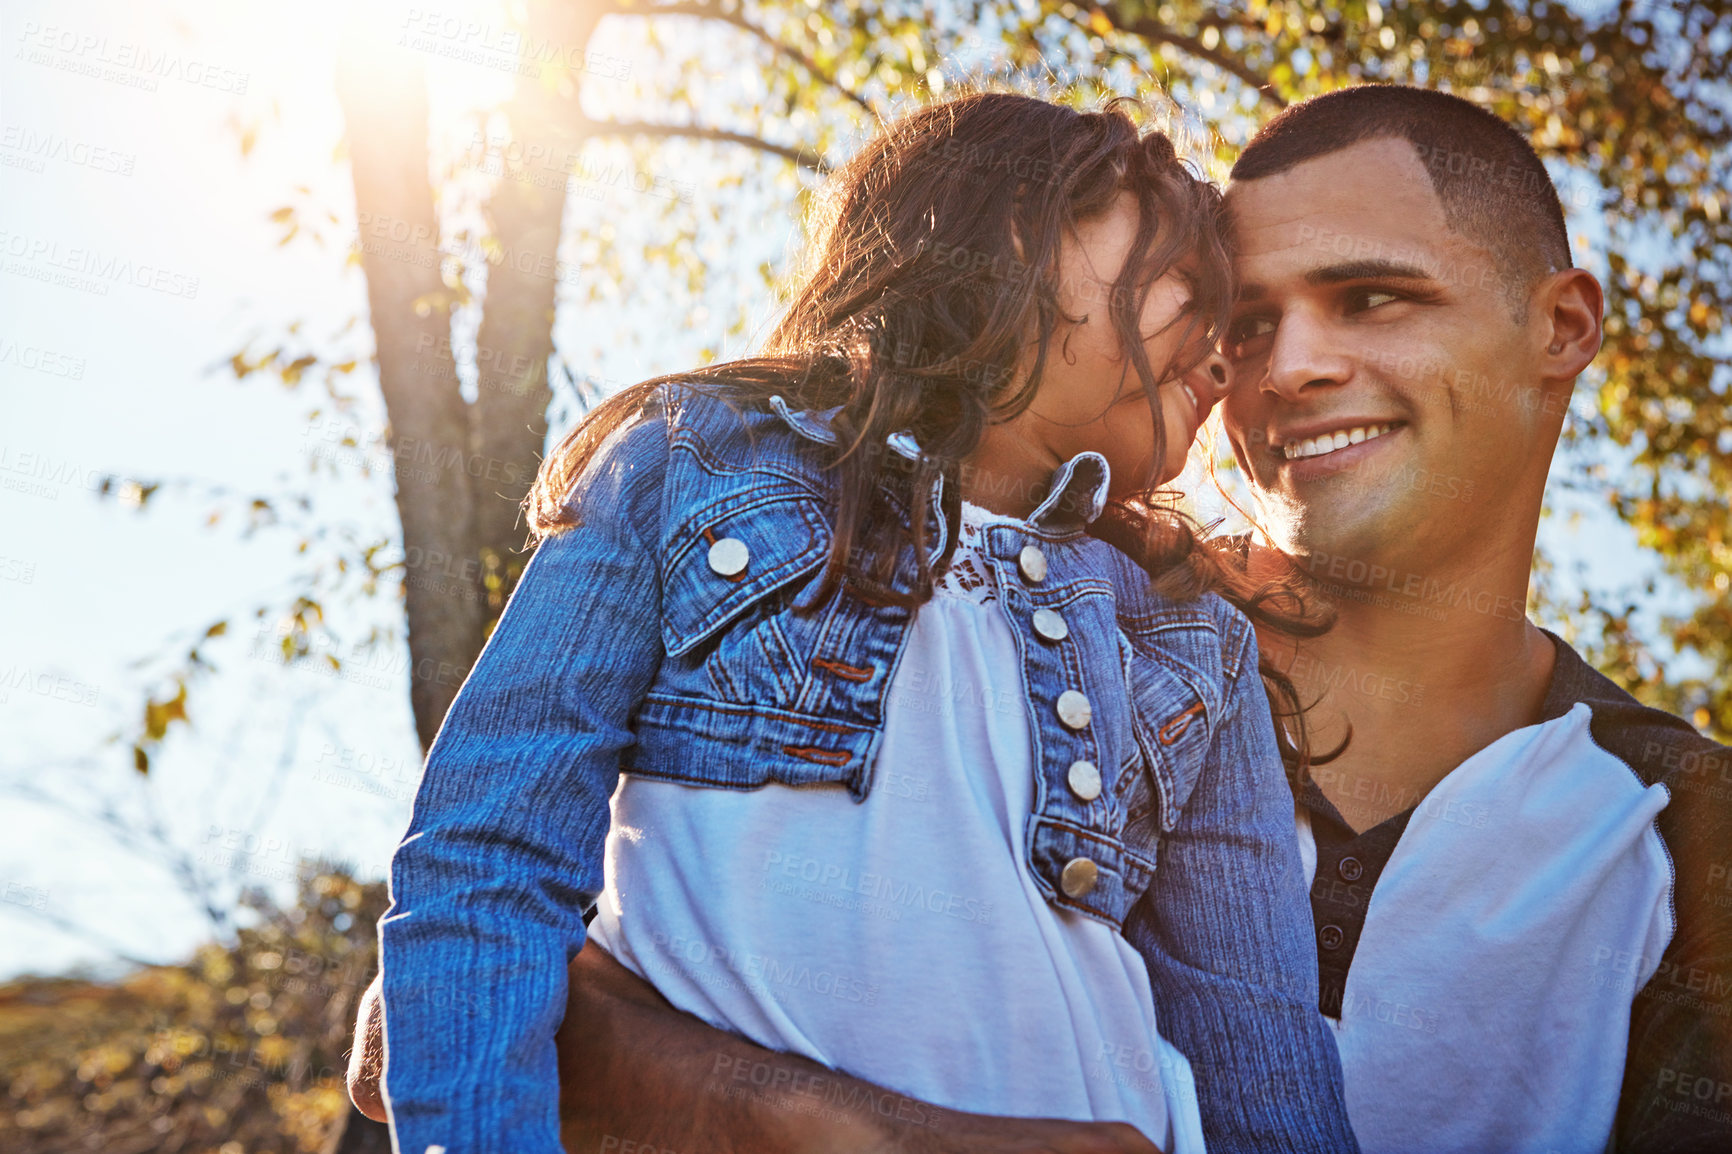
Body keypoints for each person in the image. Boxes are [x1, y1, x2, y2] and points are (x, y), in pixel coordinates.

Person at [352, 84, 1732, 1153]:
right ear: (1012, 239)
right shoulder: (695, 461)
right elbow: (479, 871)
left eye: (1370, 297)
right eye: (1206, 288)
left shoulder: (1182, 629)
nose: (1243, 347)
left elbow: (1254, 1036)